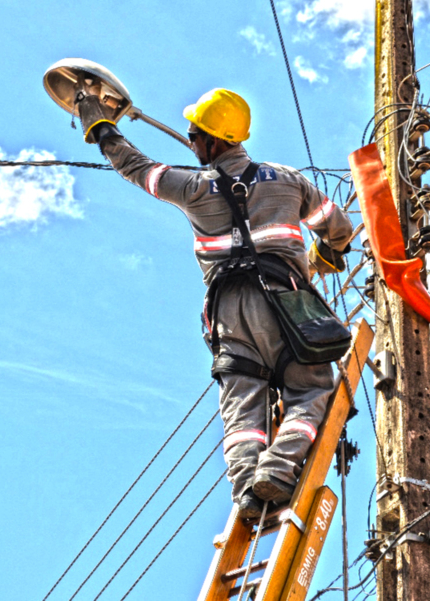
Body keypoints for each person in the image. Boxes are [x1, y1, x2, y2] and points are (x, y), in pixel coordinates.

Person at [74, 85, 354, 519]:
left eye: (195, 133)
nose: (190, 140)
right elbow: (338, 227)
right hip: (287, 305)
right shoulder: (287, 180)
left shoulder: (192, 188)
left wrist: (101, 127)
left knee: (243, 407)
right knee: (312, 387)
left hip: (228, 315)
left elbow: (137, 167)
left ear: (215, 140)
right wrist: (325, 256)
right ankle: (277, 471)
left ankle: (246, 487)